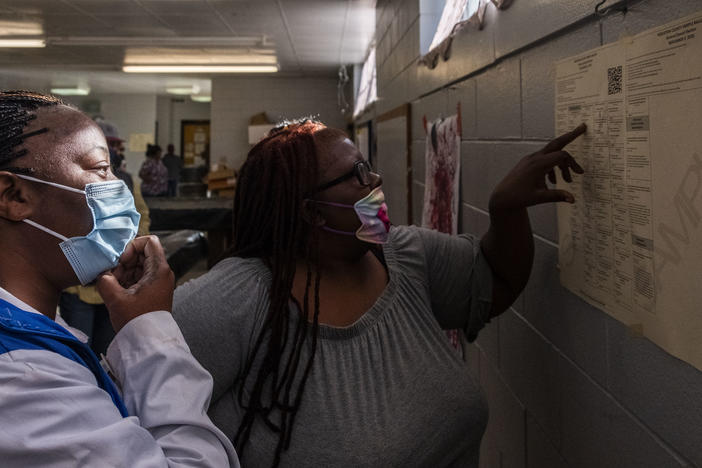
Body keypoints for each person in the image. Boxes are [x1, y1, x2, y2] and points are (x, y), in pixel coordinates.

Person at [173, 119, 586, 467]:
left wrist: (506, 212)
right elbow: (136, 400)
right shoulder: (238, 300)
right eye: (357, 175)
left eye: (367, 167)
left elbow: (495, 284)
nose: (375, 180)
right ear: (312, 212)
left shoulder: (405, 256)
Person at [0, 90, 239, 466]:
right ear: (14, 196)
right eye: (99, 169)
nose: (119, 189)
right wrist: (149, 328)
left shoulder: (31, 324)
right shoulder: (21, 375)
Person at [60, 118, 152, 356]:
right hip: (80, 287)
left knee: (108, 354)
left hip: (115, 283)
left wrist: (131, 242)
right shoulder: (70, 184)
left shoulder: (127, 181)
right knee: (79, 353)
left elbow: (141, 215)